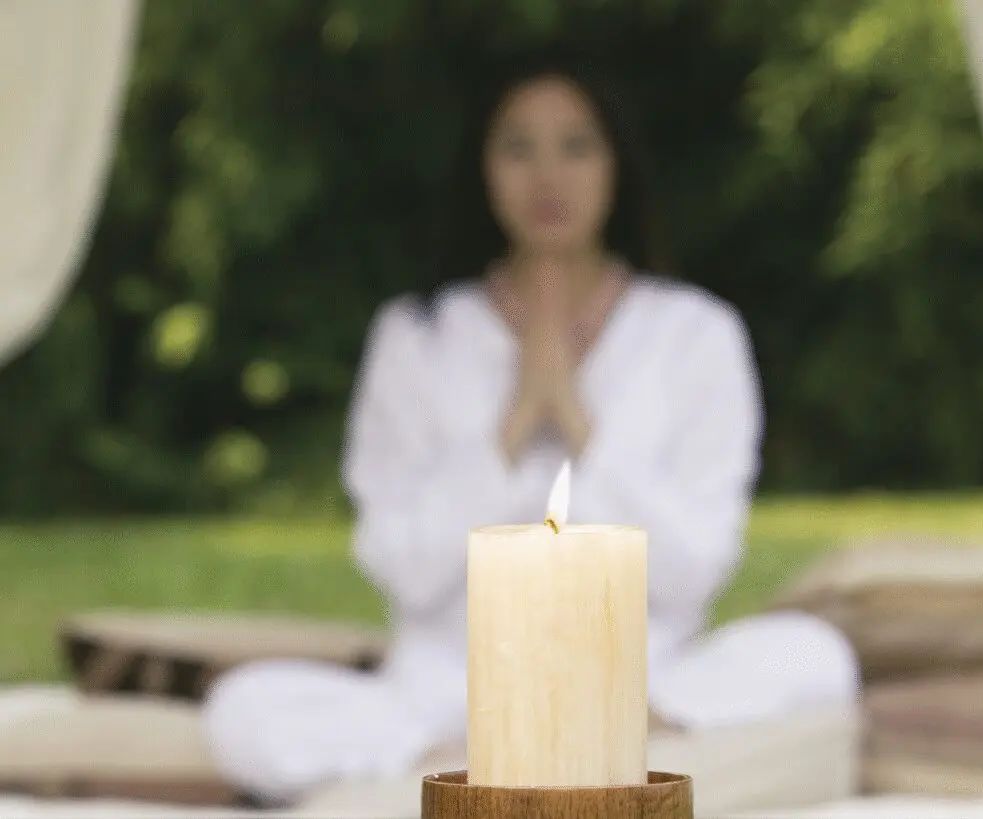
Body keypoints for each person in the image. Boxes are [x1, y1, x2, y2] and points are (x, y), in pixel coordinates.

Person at [201, 52, 859, 805]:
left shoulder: (695, 332)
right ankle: (498, 758)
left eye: (575, 147)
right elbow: (397, 559)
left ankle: (552, 757)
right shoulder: (418, 336)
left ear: (616, 166)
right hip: (449, 695)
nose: (549, 176)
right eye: (519, 148)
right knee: (243, 711)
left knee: (814, 656)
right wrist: (513, 423)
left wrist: (576, 416)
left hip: (644, 686)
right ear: (483, 169)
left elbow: (697, 567)